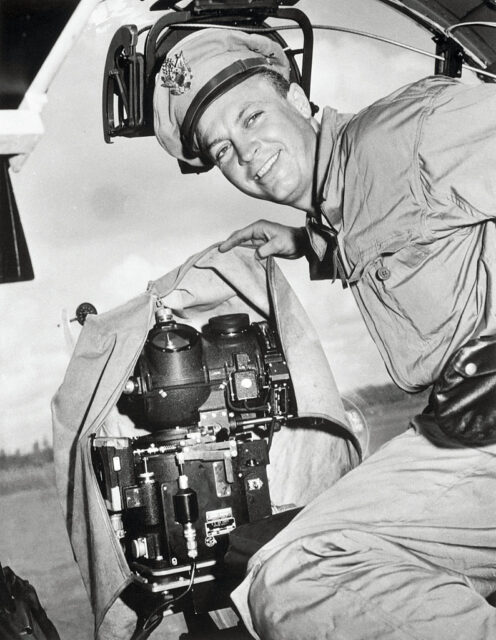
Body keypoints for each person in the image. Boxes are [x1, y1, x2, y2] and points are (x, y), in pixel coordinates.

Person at [153, 26, 496, 640]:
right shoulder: (347, 188)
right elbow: (404, 229)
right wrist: (307, 244)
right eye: (224, 149)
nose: (246, 151)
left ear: (301, 102)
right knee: (262, 571)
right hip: (460, 429)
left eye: (252, 116)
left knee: (299, 577)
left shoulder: (413, 129)